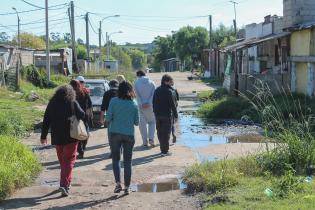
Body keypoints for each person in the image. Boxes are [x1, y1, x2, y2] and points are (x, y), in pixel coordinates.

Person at [41, 85, 85, 197]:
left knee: (63, 162)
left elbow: (46, 119)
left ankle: (66, 183)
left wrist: (43, 136)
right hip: (71, 137)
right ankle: (64, 184)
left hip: (57, 138)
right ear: (71, 93)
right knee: (68, 162)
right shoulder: (72, 102)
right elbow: (82, 114)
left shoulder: (52, 103)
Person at [106, 81, 139, 194]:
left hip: (114, 133)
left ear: (119, 90)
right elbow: (137, 122)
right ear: (130, 90)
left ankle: (118, 184)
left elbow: (108, 118)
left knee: (116, 160)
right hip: (129, 135)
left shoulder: (113, 101)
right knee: (128, 162)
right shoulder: (134, 103)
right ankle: (127, 187)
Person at [153, 74, 178, 156]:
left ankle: (162, 149)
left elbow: (153, 102)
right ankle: (165, 151)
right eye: (170, 81)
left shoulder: (157, 90)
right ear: (165, 81)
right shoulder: (169, 91)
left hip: (158, 115)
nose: (171, 83)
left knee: (159, 132)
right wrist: (176, 115)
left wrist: (155, 112)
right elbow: (173, 105)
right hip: (167, 115)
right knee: (166, 133)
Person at [70, 79, 92, 159]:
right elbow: (90, 105)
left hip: (75, 116)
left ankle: (81, 150)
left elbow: (89, 104)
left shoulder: (71, 94)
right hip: (84, 116)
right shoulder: (85, 92)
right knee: (85, 133)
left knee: (77, 134)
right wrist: (90, 114)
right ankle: (83, 148)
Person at [134, 70, 156, 147]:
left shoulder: (136, 83)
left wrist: (141, 103)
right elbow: (154, 95)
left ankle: (144, 142)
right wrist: (149, 103)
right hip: (151, 106)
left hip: (141, 106)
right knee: (152, 122)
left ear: (138, 75)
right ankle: (151, 139)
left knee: (142, 124)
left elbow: (136, 95)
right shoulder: (152, 82)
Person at [100, 80, 119, 158]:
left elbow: (103, 107)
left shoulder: (106, 93)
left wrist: (102, 118)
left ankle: (113, 151)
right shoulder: (120, 93)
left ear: (109, 85)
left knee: (111, 135)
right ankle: (119, 149)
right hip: (119, 116)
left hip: (109, 117)